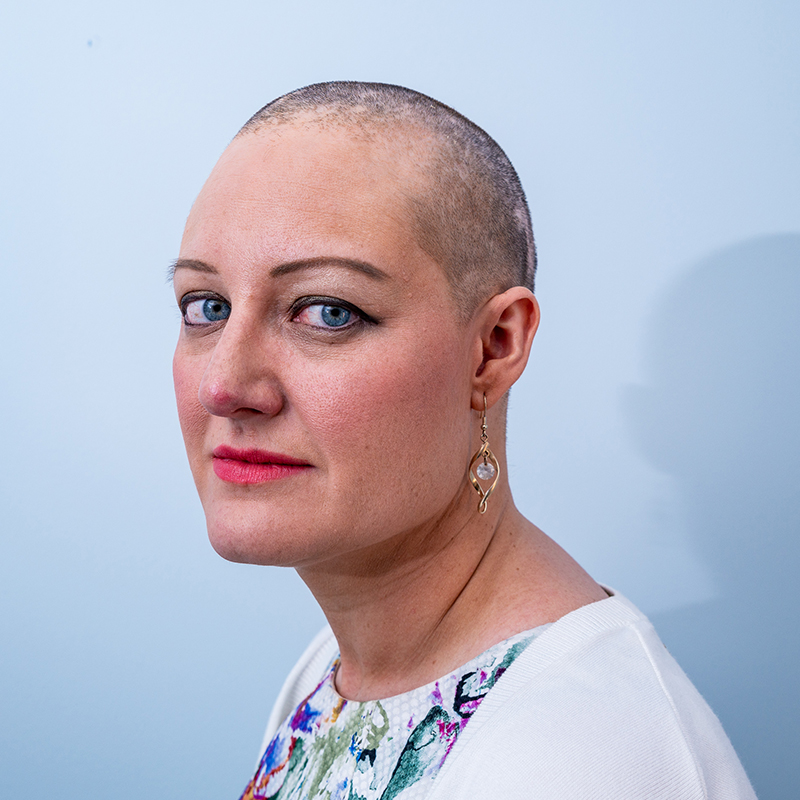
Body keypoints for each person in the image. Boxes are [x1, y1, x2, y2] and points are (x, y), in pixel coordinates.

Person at [171, 82, 756, 799]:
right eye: (207, 306)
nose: (224, 386)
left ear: (493, 348)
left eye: (327, 311)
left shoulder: (575, 763)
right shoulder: (340, 675)